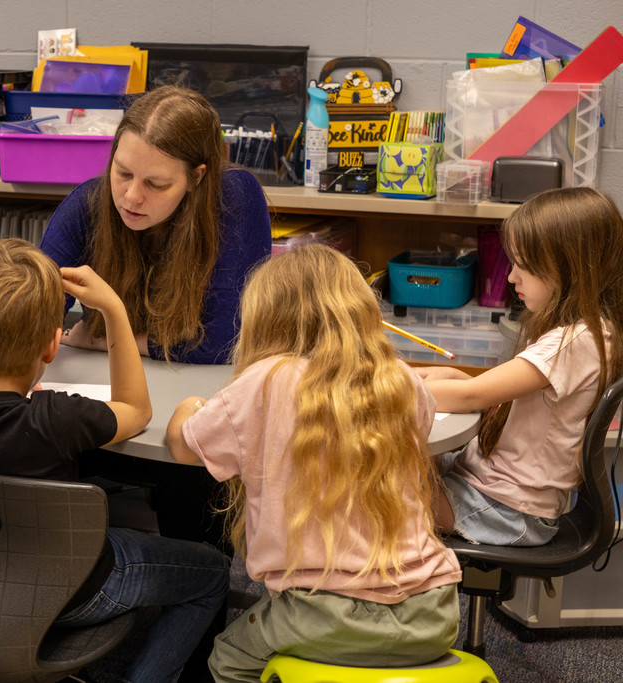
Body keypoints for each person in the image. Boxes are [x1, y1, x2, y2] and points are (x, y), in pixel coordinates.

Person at [0, 238, 230, 683]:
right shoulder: (56, 417)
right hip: (69, 594)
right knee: (211, 572)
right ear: (52, 346)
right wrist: (114, 309)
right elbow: (137, 411)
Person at [166, 245, 462, 681]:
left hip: (323, 616)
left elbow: (183, 447)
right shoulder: (399, 378)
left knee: (227, 660)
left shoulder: (265, 380)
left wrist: (190, 406)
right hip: (434, 611)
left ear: (265, 317)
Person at [417, 187, 623, 547]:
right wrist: (427, 377)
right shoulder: (580, 332)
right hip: (490, 486)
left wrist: (383, 385)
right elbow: (489, 390)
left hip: (506, 509)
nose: (512, 277)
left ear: (570, 268)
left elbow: (471, 395)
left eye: (525, 266)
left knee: (360, 493)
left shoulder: (577, 341)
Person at [40, 85, 271, 365]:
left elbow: (228, 340)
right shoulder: (86, 203)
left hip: (201, 386)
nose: (132, 196)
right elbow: (35, 315)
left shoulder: (235, 196)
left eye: (156, 184)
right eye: (123, 172)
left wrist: (106, 340)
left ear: (196, 178)